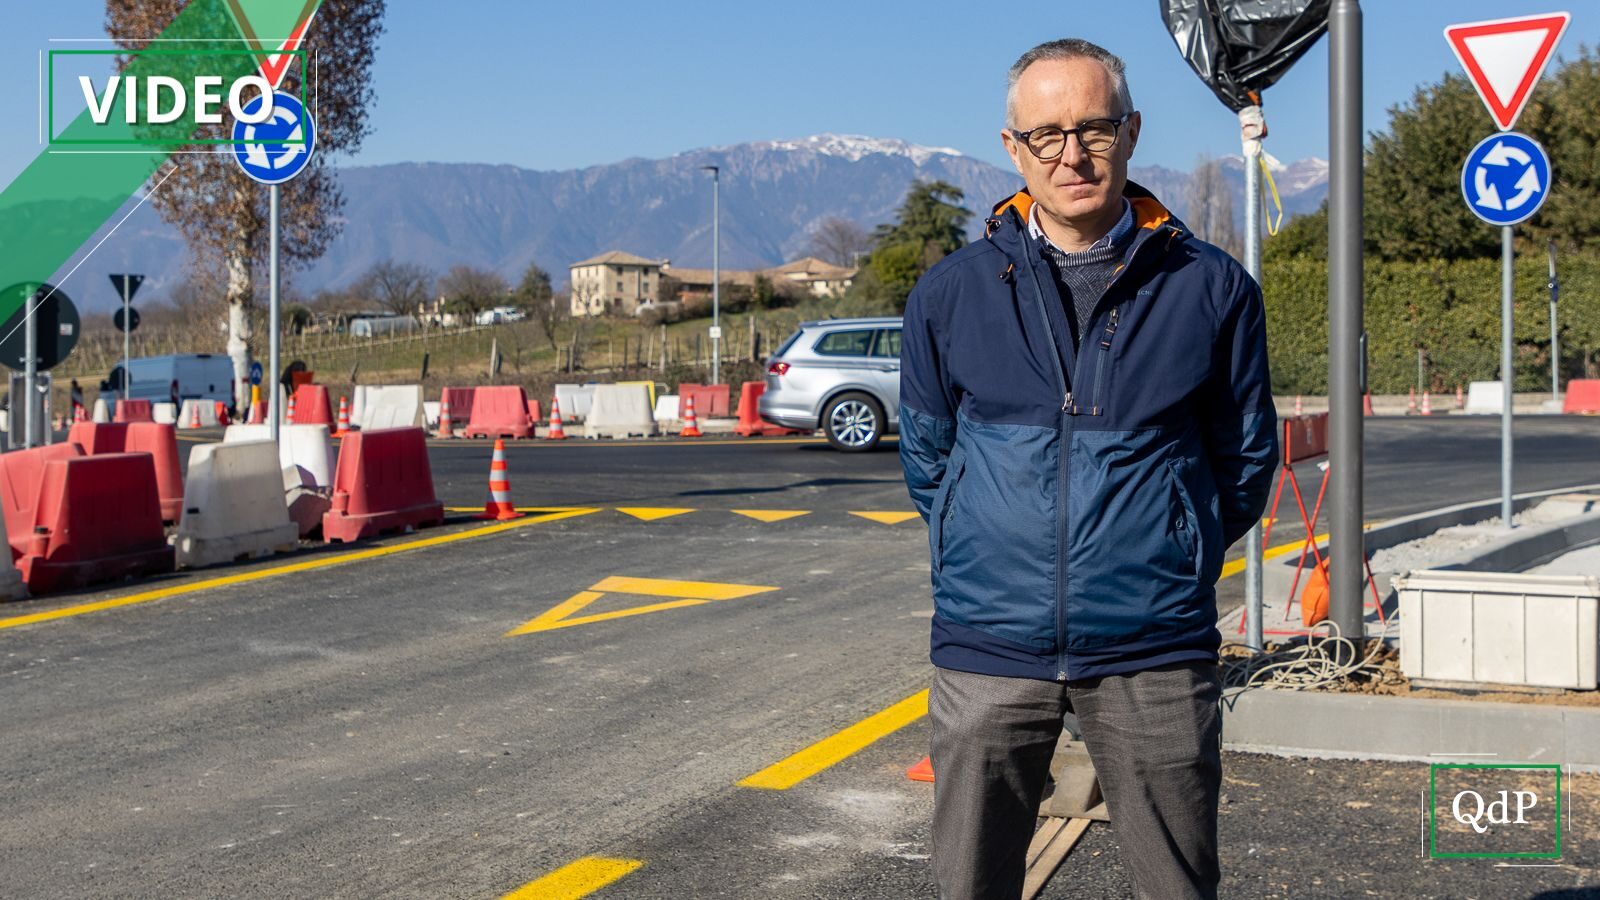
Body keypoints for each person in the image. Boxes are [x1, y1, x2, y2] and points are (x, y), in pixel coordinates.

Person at [898, 38, 1279, 900]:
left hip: (1154, 646)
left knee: (1175, 886)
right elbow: (927, 461)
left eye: (1095, 128)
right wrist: (980, 533)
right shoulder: (950, 294)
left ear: (1132, 132)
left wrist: (1176, 539)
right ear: (1013, 148)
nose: (1072, 154)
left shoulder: (1211, 289)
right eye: (1047, 134)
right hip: (988, 644)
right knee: (966, 884)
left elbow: (1246, 457)